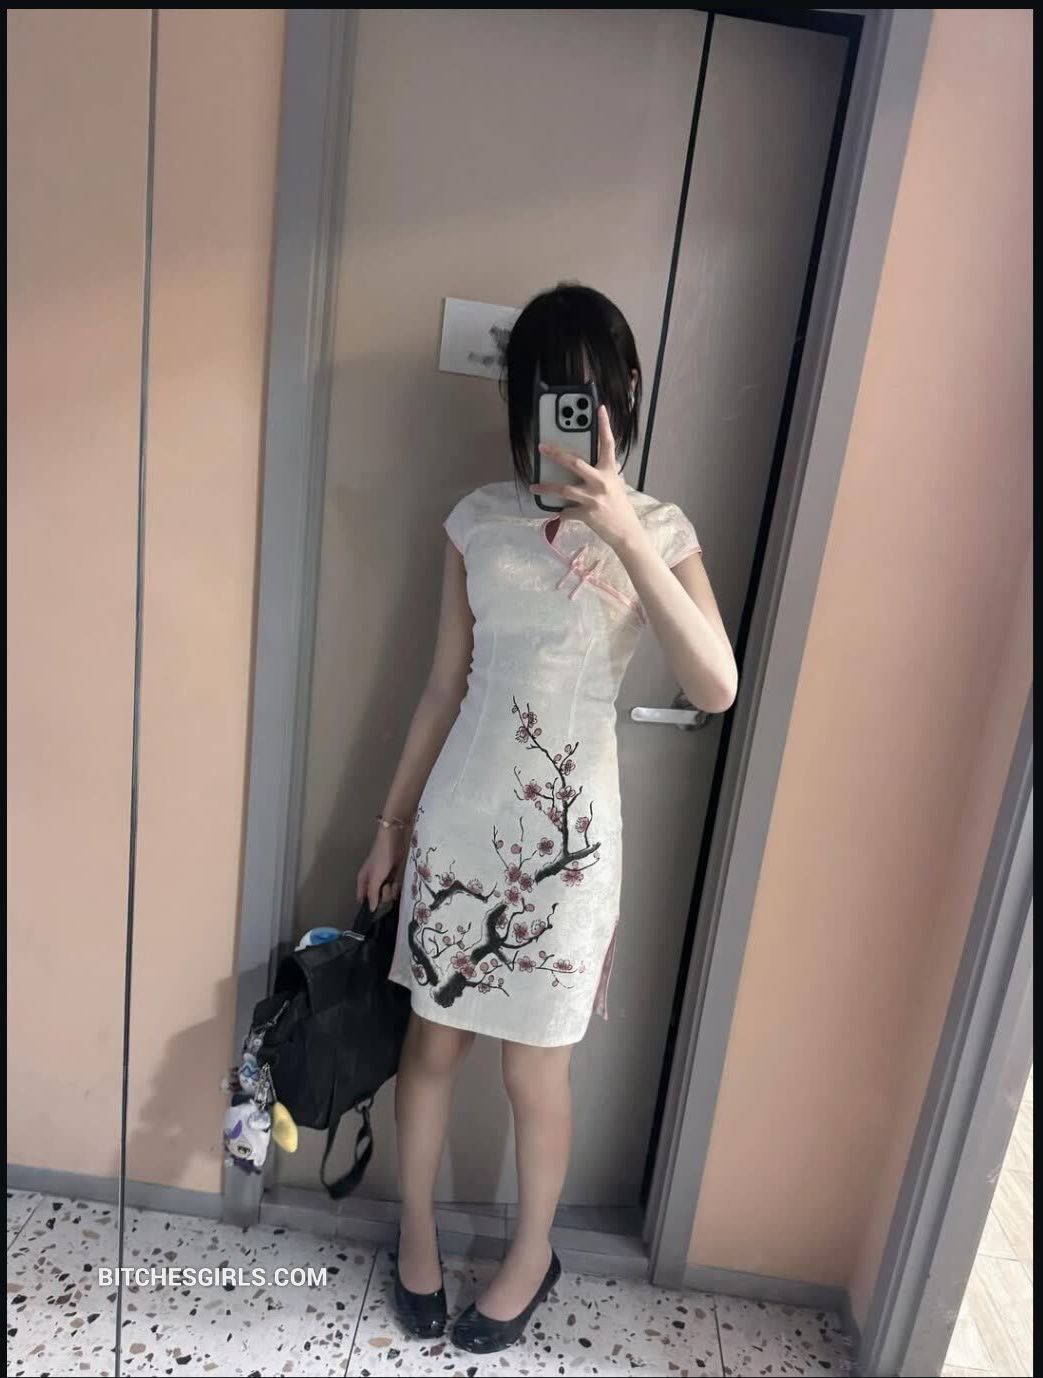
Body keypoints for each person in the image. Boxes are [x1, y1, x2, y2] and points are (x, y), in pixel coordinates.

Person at [356, 283, 738, 1354]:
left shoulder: (660, 528)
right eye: (544, 391)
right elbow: (443, 686)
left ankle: (532, 1253)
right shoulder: (475, 520)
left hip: (569, 850)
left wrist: (623, 534)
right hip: (460, 823)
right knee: (433, 1044)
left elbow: (714, 685)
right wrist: (389, 827)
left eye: (586, 392)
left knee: (535, 1068)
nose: (565, 412)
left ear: (623, 395)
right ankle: (416, 1233)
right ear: (516, 399)